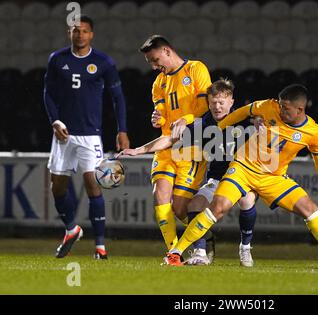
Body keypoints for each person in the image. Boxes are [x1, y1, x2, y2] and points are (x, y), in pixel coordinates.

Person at [162, 84, 318, 268]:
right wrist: (221, 126)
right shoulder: (269, 106)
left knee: (310, 210)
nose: (281, 110)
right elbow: (245, 110)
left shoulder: (313, 132)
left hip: (273, 177)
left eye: (286, 108)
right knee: (218, 207)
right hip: (243, 169)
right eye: (281, 105)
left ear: (300, 109)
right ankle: (176, 253)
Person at [120, 79, 258, 267]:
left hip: (243, 178)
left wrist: (263, 124)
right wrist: (139, 150)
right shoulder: (203, 123)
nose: (217, 107)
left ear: (231, 102)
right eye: (213, 102)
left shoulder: (244, 120)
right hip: (217, 179)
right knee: (195, 204)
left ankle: (245, 247)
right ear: (208, 103)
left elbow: (271, 123)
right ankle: (200, 252)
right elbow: (169, 139)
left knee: (247, 200)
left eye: (221, 102)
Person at [43, 15, 130, 259]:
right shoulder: (57, 60)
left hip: (91, 135)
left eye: (84, 31)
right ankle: (72, 229)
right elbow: (47, 94)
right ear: (68, 33)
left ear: (91, 34)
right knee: (57, 186)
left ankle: (100, 247)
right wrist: (55, 120)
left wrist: (122, 129)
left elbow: (118, 98)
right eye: (75, 31)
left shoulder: (103, 62)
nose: (79, 34)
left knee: (93, 184)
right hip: (63, 134)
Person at [139, 35, 214, 255]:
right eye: (151, 63)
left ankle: (205, 236)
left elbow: (206, 108)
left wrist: (186, 119)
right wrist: (157, 119)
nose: (154, 66)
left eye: (155, 60)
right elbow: (163, 117)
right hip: (166, 147)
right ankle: (173, 252)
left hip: (192, 148)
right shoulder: (158, 83)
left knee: (180, 209)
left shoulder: (196, 69)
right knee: (160, 194)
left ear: (167, 51)